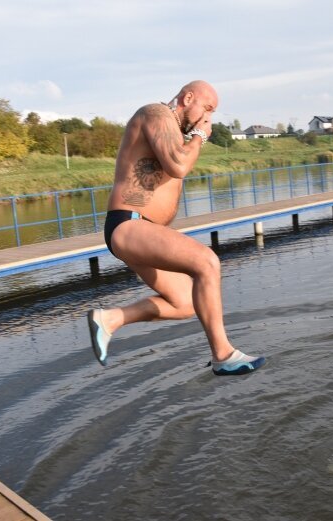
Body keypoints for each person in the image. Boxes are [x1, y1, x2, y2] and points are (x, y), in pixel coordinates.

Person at [87, 80, 265, 376]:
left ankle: (111, 320)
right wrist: (199, 135)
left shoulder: (174, 133)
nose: (208, 118)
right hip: (129, 223)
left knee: (186, 303)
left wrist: (193, 135)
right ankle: (223, 354)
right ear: (188, 97)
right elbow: (177, 165)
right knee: (206, 262)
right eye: (207, 108)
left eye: (212, 113)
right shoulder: (155, 113)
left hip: (143, 230)